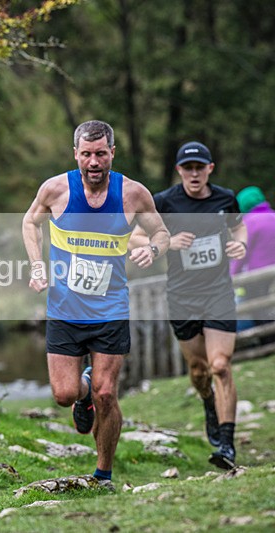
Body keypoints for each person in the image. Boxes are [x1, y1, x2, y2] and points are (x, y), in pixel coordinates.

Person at [22, 120, 170, 485]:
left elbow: (162, 232)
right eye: (86, 154)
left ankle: (103, 474)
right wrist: (37, 266)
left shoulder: (133, 194)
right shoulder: (55, 189)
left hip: (111, 310)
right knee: (64, 394)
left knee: (108, 392)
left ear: (112, 154)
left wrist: (153, 248)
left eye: (101, 154)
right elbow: (29, 222)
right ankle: (81, 392)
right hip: (64, 309)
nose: (93, 162)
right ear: (76, 154)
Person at [136, 141, 246, 469]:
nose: (194, 173)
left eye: (200, 167)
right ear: (179, 170)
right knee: (199, 371)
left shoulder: (226, 198)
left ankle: (226, 445)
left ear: (210, 168)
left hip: (219, 293)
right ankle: (208, 401)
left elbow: (238, 225)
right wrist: (167, 242)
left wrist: (239, 242)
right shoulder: (164, 202)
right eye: (188, 167)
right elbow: (133, 237)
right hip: (182, 297)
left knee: (221, 365)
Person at [230, 186, 275, 334]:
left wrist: (232, 276)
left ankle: (265, 338)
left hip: (256, 276)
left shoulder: (248, 223)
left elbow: (241, 253)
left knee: (256, 307)